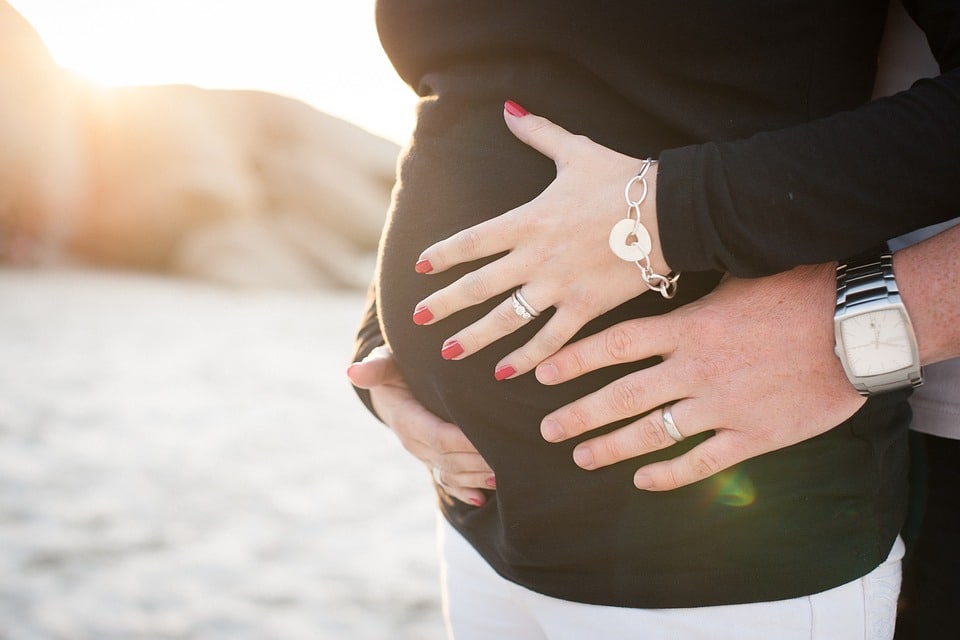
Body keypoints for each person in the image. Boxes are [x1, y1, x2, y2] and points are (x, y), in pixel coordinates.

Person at [350, 1, 960, 637]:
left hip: (724, 551)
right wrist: (386, 334)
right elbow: (465, 100)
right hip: (479, 528)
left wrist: (670, 212)